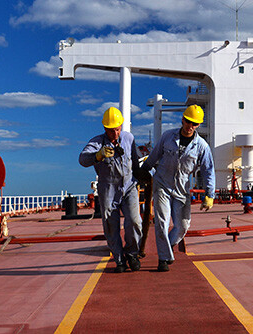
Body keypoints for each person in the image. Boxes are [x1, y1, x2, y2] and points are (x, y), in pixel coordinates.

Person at [141, 105, 215, 272]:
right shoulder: (168, 136)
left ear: (198, 125)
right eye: (188, 122)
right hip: (162, 184)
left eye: (194, 124)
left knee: (183, 226)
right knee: (162, 222)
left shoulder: (201, 146)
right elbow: (154, 155)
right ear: (182, 119)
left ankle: (167, 245)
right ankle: (164, 258)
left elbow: (208, 170)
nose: (190, 126)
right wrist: (144, 170)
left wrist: (210, 195)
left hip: (182, 189)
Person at [79, 107, 143, 273]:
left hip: (129, 187)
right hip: (108, 189)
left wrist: (143, 177)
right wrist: (98, 156)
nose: (115, 133)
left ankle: (132, 253)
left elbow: (135, 162)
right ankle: (119, 259)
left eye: (117, 129)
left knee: (135, 221)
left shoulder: (129, 138)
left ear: (121, 126)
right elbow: (82, 159)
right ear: (104, 128)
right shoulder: (97, 142)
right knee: (111, 225)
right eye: (111, 130)